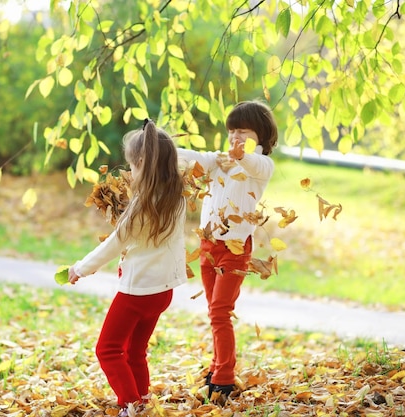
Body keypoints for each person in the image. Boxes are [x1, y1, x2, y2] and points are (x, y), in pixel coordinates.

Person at [68, 118, 188, 416]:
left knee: (107, 349)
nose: (129, 173)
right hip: (163, 292)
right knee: (135, 351)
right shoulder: (176, 198)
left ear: (144, 163)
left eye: (132, 166)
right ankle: (142, 401)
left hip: (137, 293)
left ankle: (130, 405)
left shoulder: (141, 206)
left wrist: (81, 268)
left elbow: (114, 244)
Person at [177, 99, 278, 405]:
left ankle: (224, 377)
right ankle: (216, 366)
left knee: (221, 311)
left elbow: (251, 162)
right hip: (208, 246)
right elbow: (190, 157)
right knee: (214, 312)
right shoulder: (218, 160)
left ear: (259, 135)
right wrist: (159, 145)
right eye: (232, 131)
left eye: (243, 131)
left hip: (234, 250)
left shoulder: (261, 165)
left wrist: (238, 155)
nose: (235, 137)